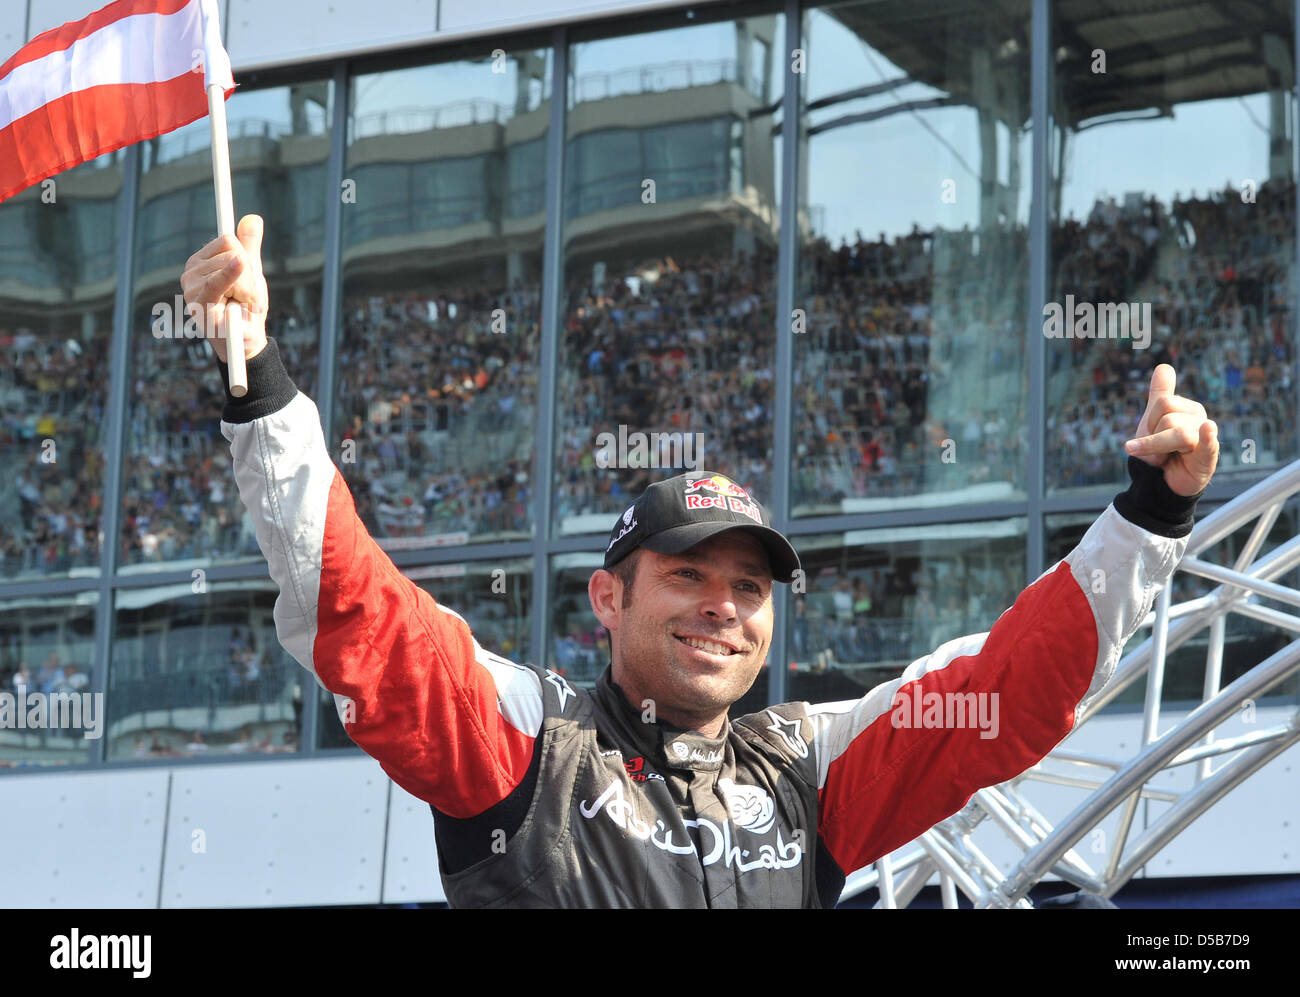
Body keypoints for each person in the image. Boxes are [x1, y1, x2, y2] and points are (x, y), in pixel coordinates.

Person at [181, 215, 1220, 908]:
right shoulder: (528, 742)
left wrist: (1152, 510)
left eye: (750, 587)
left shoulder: (810, 762)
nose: (724, 606)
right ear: (606, 595)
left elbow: (1008, 689)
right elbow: (357, 611)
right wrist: (259, 383)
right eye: (688, 574)